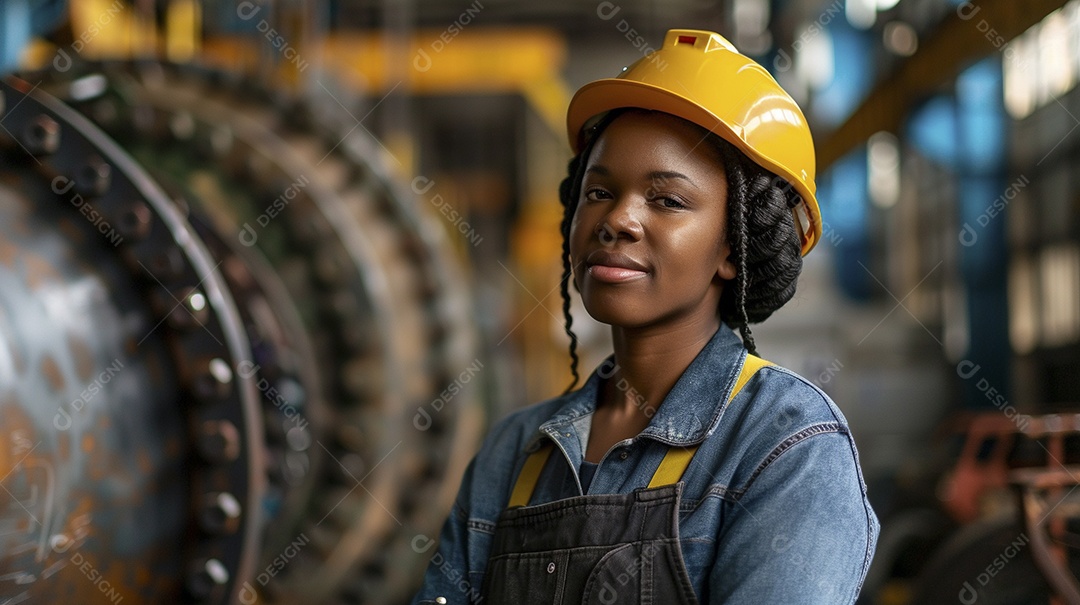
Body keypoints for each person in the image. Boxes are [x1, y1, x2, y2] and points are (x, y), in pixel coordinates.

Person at [412, 28, 879, 604]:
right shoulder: (512, 453)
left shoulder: (786, 445)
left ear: (734, 247)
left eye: (667, 200)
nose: (617, 220)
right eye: (598, 193)